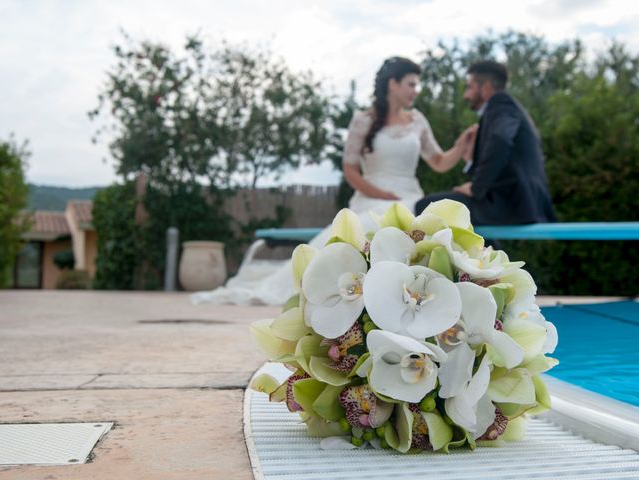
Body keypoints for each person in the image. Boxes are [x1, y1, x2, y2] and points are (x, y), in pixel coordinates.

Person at [191, 56, 472, 306]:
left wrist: (461, 145)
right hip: (372, 196)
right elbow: (350, 170)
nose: (415, 91)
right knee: (365, 229)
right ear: (393, 84)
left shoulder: (417, 120)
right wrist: (382, 194)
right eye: (411, 84)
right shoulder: (363, 120)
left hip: (411, 195)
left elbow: (438, 162)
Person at [415, 60, 557, 225]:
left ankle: (485, 251)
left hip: (513, 203)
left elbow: (500, 139)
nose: (465, 95)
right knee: (455, 217)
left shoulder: (501, 103)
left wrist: (476, 188)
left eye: (470, 87)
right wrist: (470, 158)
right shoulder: (503, 110)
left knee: (426, 207)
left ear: (486, 87)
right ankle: (489, 251)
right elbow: (504, 153)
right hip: (513, 201)